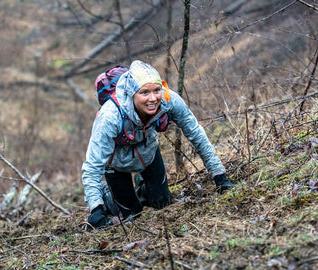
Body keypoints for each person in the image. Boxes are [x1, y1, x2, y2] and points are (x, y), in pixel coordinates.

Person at [81, 60, 234, 230]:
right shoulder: (110, 115)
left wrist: (219, 174)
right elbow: (93, 164)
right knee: (133, 214)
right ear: (132, 93)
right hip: (116, 164)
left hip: (148, 154)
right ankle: (107, 194)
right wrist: (96, 208)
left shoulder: (169, 100)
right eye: (144, 93)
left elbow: (196, 134)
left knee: (162, 203)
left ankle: (142, 185)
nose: (152, 98)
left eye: (156, 90)